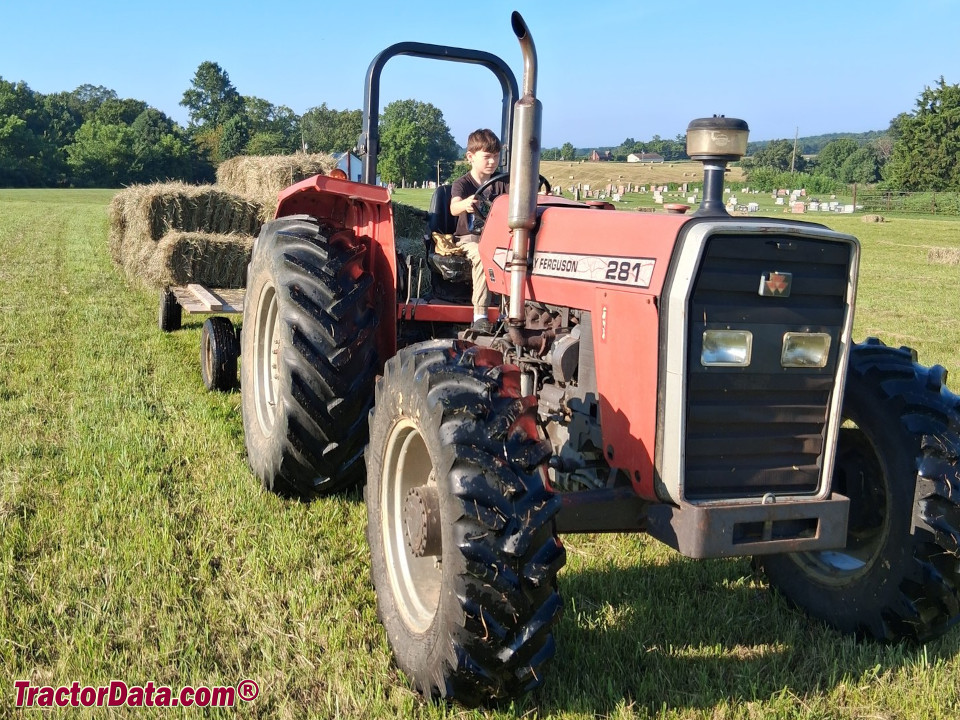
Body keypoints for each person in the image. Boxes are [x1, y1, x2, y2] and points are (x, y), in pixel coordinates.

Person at [450, 128, 509, 333]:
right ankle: (480, 314)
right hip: (469, 240)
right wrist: (465, 204)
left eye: (495, 156)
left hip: (498, 239)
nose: (492, 161)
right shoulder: (463, 184)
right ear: (470, 157)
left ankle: (512, 312)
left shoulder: (503, 183)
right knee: (484, 255)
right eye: (487, 157)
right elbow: (454, 207)